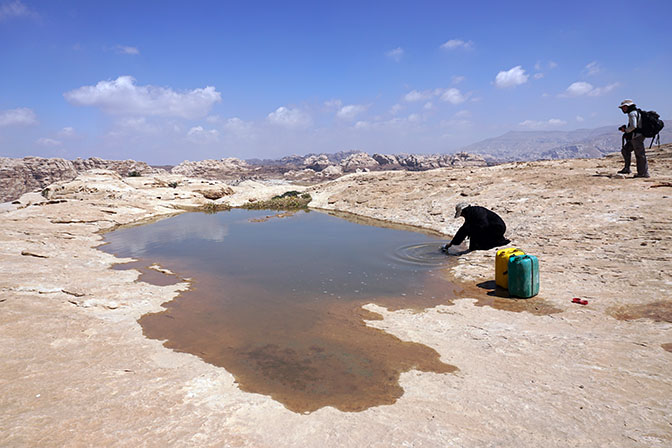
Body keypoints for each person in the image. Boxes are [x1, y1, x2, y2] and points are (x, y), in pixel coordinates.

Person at [442, 203, 510, 253]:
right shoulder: (472, 214)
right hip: (491, 228)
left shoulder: (478, 212)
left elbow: (483, 225)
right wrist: (451, 244)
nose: (462, 216)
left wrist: (471, 234)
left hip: (498, 229)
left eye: (462, 214)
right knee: (472, 230)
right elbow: (463, 230)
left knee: (475, 234)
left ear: (464, 211)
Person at [618, 99, 649, 178]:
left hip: (636, 137)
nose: (622, 109)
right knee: (625, 150)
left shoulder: (632, 114)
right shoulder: (636, 112)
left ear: (628, 106)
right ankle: (627, 168)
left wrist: (625, 130)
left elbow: (633, 126)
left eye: (623, 107)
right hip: (635, 136)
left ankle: (643, 173)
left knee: (640, 155)